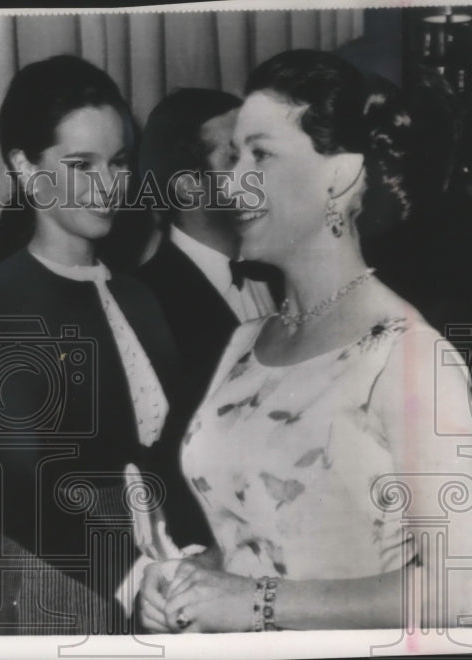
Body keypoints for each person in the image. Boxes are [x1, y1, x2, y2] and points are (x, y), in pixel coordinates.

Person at [138, 49, 472, 632]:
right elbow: (257, 535)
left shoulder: (407, 357)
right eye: (232, 158)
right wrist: (190, 576)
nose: (231, 181)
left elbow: (462, 591)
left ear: (341, 175)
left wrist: (254, 601)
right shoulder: (242, 346)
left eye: (261, 155)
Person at [0, 55, 184, 635]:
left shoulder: (142, 296)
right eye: (82, 165)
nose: (109, 186)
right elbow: (13, 489)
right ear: (26, 166)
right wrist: (132, 577)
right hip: (61, 580)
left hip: (159, 567)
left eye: (120, 162)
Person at [135, 89, 279, 550]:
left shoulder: (280, 274)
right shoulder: (142, 303)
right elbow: (161, 474)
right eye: (235, 156)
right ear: (188, 186)